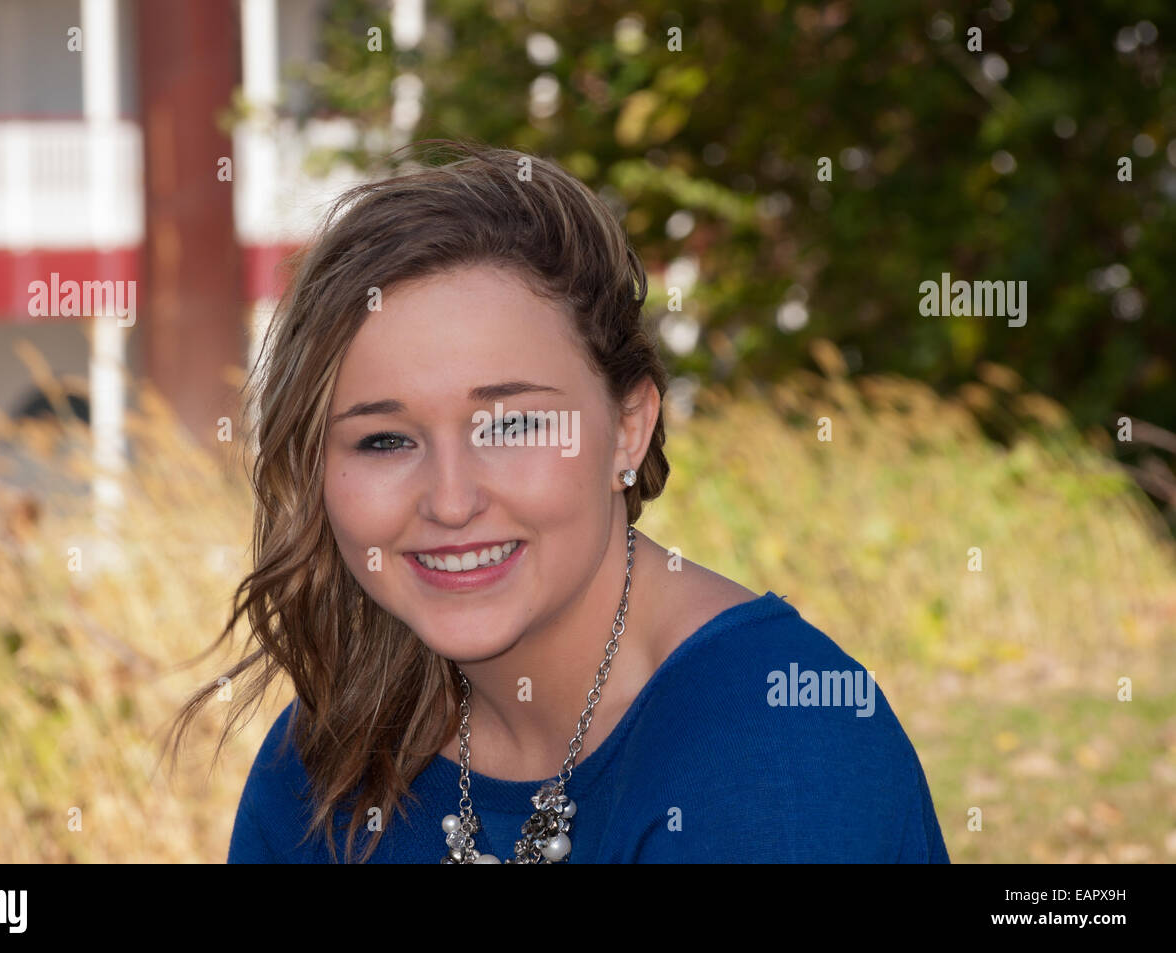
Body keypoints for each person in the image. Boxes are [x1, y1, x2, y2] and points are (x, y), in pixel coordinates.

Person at [169, 140, 949, 863]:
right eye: (384, 440)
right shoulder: (324, 761)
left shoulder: (780, 754)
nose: (449, 499)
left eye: (510, 424)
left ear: (628, 428)